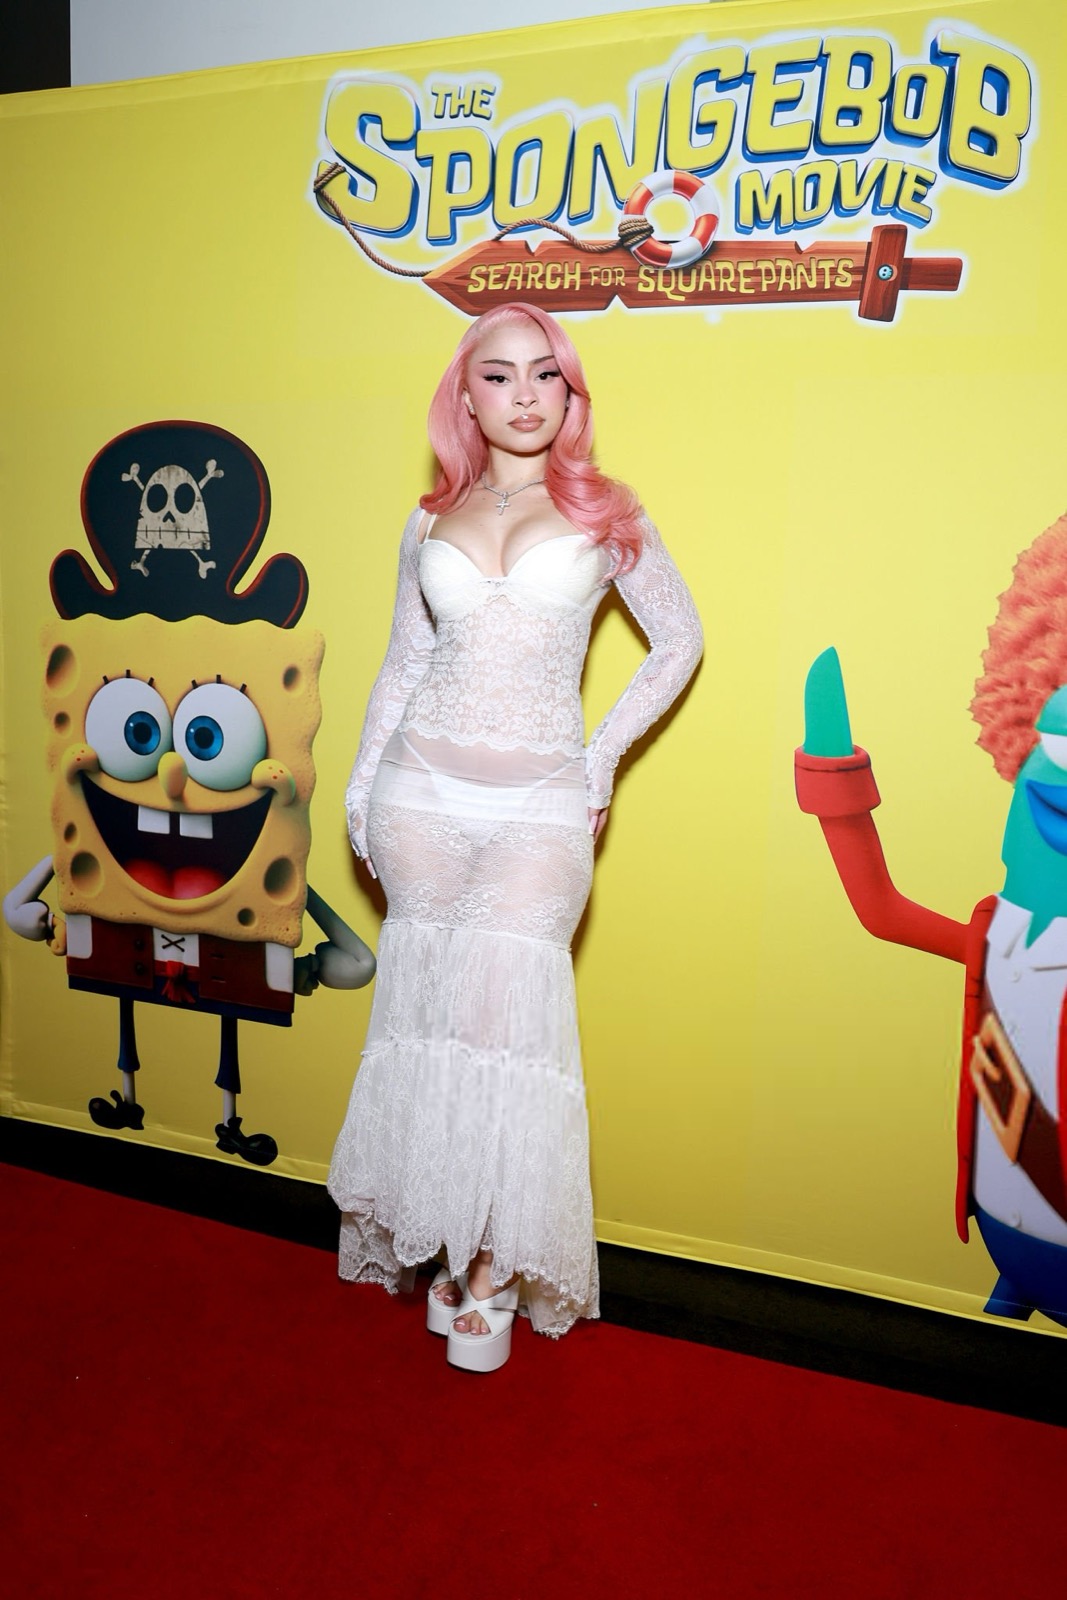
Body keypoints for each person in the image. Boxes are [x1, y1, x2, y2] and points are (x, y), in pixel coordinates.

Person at [327, 302, 702, 1371]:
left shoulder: (606, 512)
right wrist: (358, 789)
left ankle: (492, 1266)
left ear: (569, 392)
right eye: (498, 375)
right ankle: (443, 1247)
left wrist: (600, 757)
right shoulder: (426, 521)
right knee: (428, 1025)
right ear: (465, 394)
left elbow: (677, 639)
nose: (525, 394)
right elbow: (403, 663)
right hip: (418, 798)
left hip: (538, 803)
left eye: (546, 374)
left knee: (507, 1036)